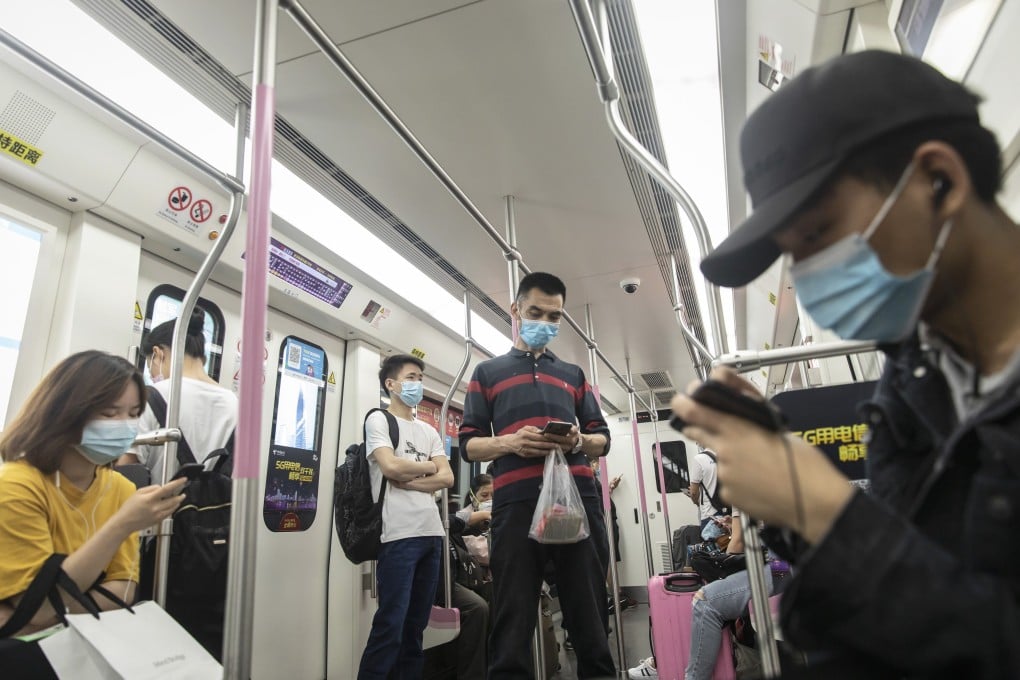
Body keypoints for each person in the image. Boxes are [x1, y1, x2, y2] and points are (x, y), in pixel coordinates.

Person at [672, 50, 1020, 677]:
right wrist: (786, 500)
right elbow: (895, 608)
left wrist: (823, 511)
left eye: (818, 234)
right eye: (792, 256)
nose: (808, 280)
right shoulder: (913, 383)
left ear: (937, 181)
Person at [459, 271, 615, 679]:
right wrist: (510, 443)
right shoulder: (487, 374)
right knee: (513, 619)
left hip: (576, 502)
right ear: (515, 310)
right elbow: (469, 444)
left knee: (590, 619)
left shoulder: (573, 375)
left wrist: (577, 440)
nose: (544, 323)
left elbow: (602, 439)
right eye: (535, 312)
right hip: (516, 505)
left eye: (553, 316)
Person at [0, 351, 187, 635]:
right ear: (66, 412)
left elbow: (122, 591)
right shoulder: (19, 486)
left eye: (134, 414)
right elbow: (37, 604)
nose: (124, 424)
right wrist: (121, 524)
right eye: (110, 413)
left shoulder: (121, 488)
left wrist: (45, 612)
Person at [358, 354, 454, 680]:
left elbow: (448, 478)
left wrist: (414, 477)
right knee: (390, 626)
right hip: (397, 536)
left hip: (431, 536)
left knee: (415, 628)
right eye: (411, 377)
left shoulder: (428, 430)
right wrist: (429, 467)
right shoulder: (379, 421)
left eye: (419, 378)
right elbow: (390, 466)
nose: (417, 384)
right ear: (391, 383)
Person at [119, 310, 237, 481]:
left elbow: (126, 469)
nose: (152, 376)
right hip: (215, 506)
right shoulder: (235, 404)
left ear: (158, 354)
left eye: (150, 365)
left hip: (158, 506)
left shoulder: (151, 396)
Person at [688, 448, 726, 532]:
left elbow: (694, 492)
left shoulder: (699, 459)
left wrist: (696, 502)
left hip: (710, 514)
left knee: (713, 543)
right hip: (729, 513)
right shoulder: (726, 456)